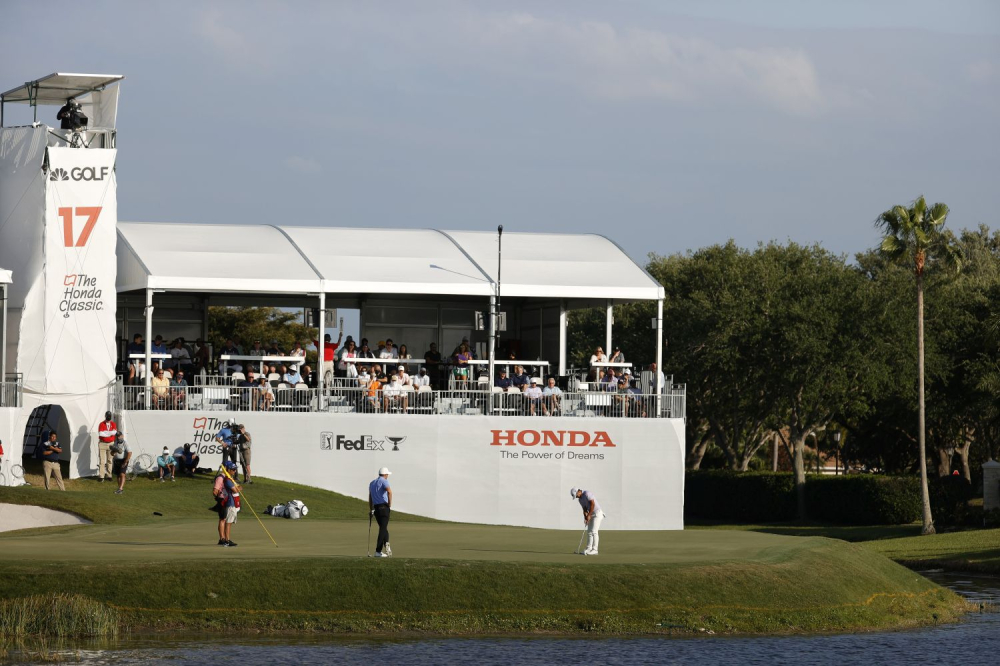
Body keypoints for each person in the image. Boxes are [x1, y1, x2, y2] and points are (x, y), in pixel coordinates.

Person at [571, 487, 605, 556]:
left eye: (576, 495)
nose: (577, 497)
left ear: (578, 491)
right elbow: (585, 509)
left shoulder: (587, 493)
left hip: (597, 513)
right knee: (589, 532)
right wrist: (586, 518)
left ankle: (595, 550)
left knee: (594, 531)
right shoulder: (580, 500)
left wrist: (589, 515)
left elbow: (593, 504)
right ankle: (588, 549)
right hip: (591, 514)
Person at [214, 461, 240, 547]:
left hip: (226, 500)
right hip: (222, 500)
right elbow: (215, 491)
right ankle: (223, 539)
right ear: (227, 468)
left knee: (224, 519)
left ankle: (224, 539)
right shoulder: (221, 478)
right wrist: (219, 498)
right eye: (233, 469)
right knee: (223, 519)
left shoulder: (227, 477)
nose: (234, 471)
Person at [368, 467, 393, 557]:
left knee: (383, 527)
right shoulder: (384, 481)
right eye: (387, 475)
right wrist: (389, 504)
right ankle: (378, 551)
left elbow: (370, 497)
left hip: (376, 509)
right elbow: (389, 492)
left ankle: (387, 544)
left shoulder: (372, 483)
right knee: (383, 528)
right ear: (385, 475)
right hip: (384, 507)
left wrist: (371, 509)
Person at [96, 411, 117, 482]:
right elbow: (101, 434)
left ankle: (109, 475)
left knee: (109, 460)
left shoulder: (113, 424)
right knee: (102, 460)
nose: (108, 417)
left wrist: (106, 433)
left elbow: (114, 432)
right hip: (102, 443)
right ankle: (101, 476)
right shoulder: (101, 424)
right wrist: (110, 433)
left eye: (109, 416)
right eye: (107, 416)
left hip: (111, 443)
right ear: (105, 416)